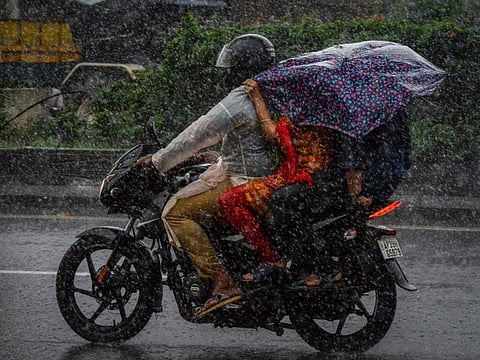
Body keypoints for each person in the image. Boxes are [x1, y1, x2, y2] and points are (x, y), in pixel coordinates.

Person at [135, 34, 278, 312]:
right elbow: (252, 144)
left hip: (245, 182)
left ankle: (221, 280)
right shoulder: (270, 92)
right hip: (267, 177)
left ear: (241, 67)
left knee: (175, 212)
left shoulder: (240, 99)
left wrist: (159, 160)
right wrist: (217, 157)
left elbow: (199, 133)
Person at [266, 111, 412, 286]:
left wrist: (358, 194)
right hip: (382, 186)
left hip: (355, 186)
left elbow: (351, 158)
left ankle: (317, 266)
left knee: (283, 201)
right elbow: (405, 157)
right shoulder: (391, 110)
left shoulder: (354, 114)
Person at [218, 79, 337, 282]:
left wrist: (257, 98)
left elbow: (273, 136)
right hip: (325, 180)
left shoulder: (298, 117)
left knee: (228, 200)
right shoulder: (328, 115)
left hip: (296, 178)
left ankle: (271, 258)